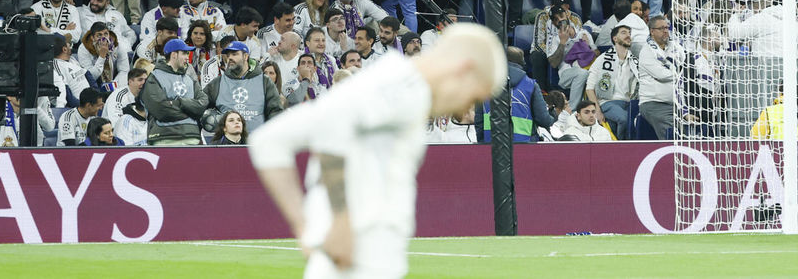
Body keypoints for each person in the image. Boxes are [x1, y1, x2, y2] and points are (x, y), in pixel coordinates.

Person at [248, 23, 507, 278]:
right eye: (473, 97)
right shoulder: (402, 86)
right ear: (464, 70)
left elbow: (270, 140)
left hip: (366, 252)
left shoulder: (394, 84)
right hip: (358, 255)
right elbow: (332, 133)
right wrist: (340, 222)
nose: (465, 107)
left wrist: (306, 227)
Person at [139, 39, 210, 145]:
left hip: (192, 137)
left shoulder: (190, 79)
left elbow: (203, 103)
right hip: (164, 138)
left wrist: (180, 103)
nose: (187, 57)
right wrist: (191, 113)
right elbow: (161, 111)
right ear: (174, 55)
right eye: (184, 53)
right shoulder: (154, 78)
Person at [477, 46, 554, 143]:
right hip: (525, 147)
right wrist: (553, 115)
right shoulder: (531, 86)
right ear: (522, 63)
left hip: (492, 146)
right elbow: (543, 120)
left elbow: (479, 121)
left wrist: (481, 143)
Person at [204, 41, 283, 133]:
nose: (230, 58)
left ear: (245, 56)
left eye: (234, 54)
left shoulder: (264, 81)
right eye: (228, 55)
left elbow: (275, 111)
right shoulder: (218, 83)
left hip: (255, 142)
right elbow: (200, 106)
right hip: (227, 144)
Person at [584, 25, 637, 139]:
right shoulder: (602, 59)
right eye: (623, 33)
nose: (628, 35)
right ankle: (622, 147)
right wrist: (597, 110)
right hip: (607, 102)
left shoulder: (635, 62)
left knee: (617, 124)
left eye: (629, 33)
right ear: (615, 38)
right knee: (624, 119)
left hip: (629, 103)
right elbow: (589, 88)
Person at [637, 16, 677, 139]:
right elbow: (662, 75)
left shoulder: (674, 47)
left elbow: (687, 66)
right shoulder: (646, 51)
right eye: (661, 28)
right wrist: (679, 73)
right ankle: (671, 155)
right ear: (652, 31)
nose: (665, 31)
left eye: (666, 27)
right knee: (672, 129)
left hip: (676, 104)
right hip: (653, 104)